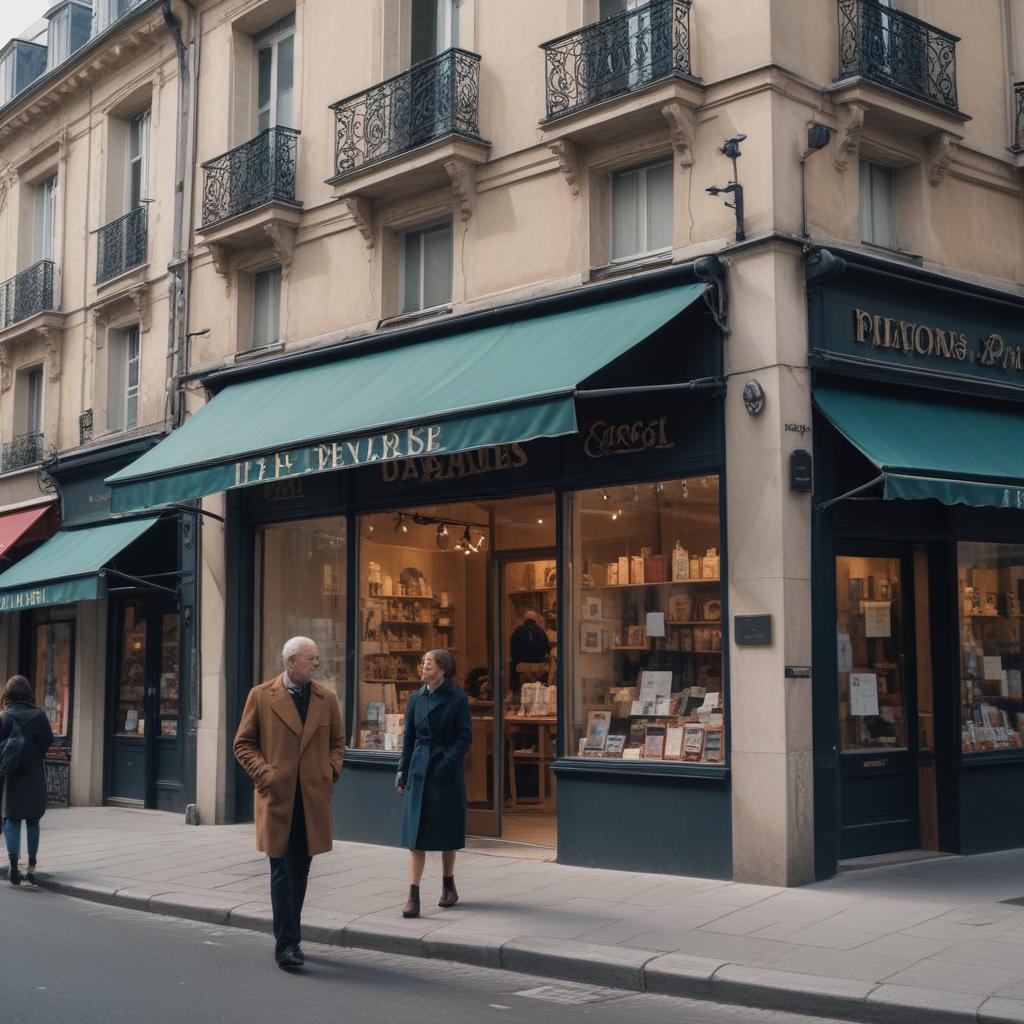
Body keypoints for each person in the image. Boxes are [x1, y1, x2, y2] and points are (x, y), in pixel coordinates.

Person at [233, 637, 345, 969]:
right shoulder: (261, 696)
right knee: (281, 868)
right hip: (278, 797)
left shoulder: (326, 699)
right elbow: (242, 744)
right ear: (291, 661)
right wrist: (264, 774)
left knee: (302, 869)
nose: (316, 663)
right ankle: (287, 944)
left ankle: (290, 934)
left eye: (317, 658)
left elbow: (338, 742)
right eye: (311, 658)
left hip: (311, 799)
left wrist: (330, 770)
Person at [396, 649, 472, 919]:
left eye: (429, 663)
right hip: (418, 769)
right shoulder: (415, 698)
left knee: (446, 833)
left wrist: (445, 764)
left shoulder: (457, 700)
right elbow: (409, 737)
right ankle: (413, 894)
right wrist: (402, 770)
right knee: (415, 835)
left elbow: (464, 738)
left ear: (443, 669)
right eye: (423, 662)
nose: (424, 666)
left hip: (444, 771)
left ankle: (448, 886)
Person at [1, 676, 54, 886]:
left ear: (8, 694)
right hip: (34, 775)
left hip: (12, 776)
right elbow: (48, 740)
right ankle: (31, 867)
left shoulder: (4, 717)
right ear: (28, 694)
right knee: (33, 820)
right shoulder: (39, 716)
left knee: (12, 820)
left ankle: (13, 867)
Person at [508, 610, 551, 692]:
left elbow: (513, 651)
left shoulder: (517, 631)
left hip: (520, 668)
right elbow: (547, 649)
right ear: (536, 620)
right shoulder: (541, 632)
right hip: (539, 670)